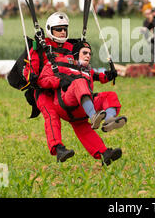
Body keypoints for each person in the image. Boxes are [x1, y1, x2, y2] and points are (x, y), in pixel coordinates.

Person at [25, 12, 125, 165]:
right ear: (50, 30)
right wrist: (39, 77)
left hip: (69, 90)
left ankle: (104, 152)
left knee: (80, 122)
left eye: (65, 29)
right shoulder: (40, 45)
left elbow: (85, 71)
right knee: (51, 114)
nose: (63, 32)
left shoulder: (70, 48)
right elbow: (33, 71)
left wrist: (107, 75)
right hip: (45, 89)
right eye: (59, 29)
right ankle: (58, 148)